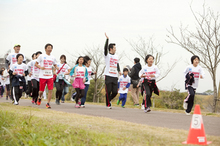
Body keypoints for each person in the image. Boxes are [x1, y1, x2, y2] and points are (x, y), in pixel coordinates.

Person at [35, 43, 59, 108]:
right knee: (41, 91)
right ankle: (39, 97)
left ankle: (48, 103)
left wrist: (56, 67)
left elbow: (54, 64)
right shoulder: (41, 56)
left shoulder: (53, 57)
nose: (49, 49)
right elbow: (36, 64)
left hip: (50, 76)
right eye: (48, 48)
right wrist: (40, 67)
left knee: (50, 90)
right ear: (45, 49)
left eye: (51, 48)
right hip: (42, 76)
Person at [104, 33, 121, 109]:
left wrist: (119, 71)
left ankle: (108, 100)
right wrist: (107, 40)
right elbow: (105, 49)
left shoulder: (116, 56)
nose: (115, 49)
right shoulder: (107, 55)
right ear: (111, 49)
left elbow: (117, 64)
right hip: (108, 75)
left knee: (115, 92)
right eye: (114, 48)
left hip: (114, 76)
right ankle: (108, 104)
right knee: (109, 90)